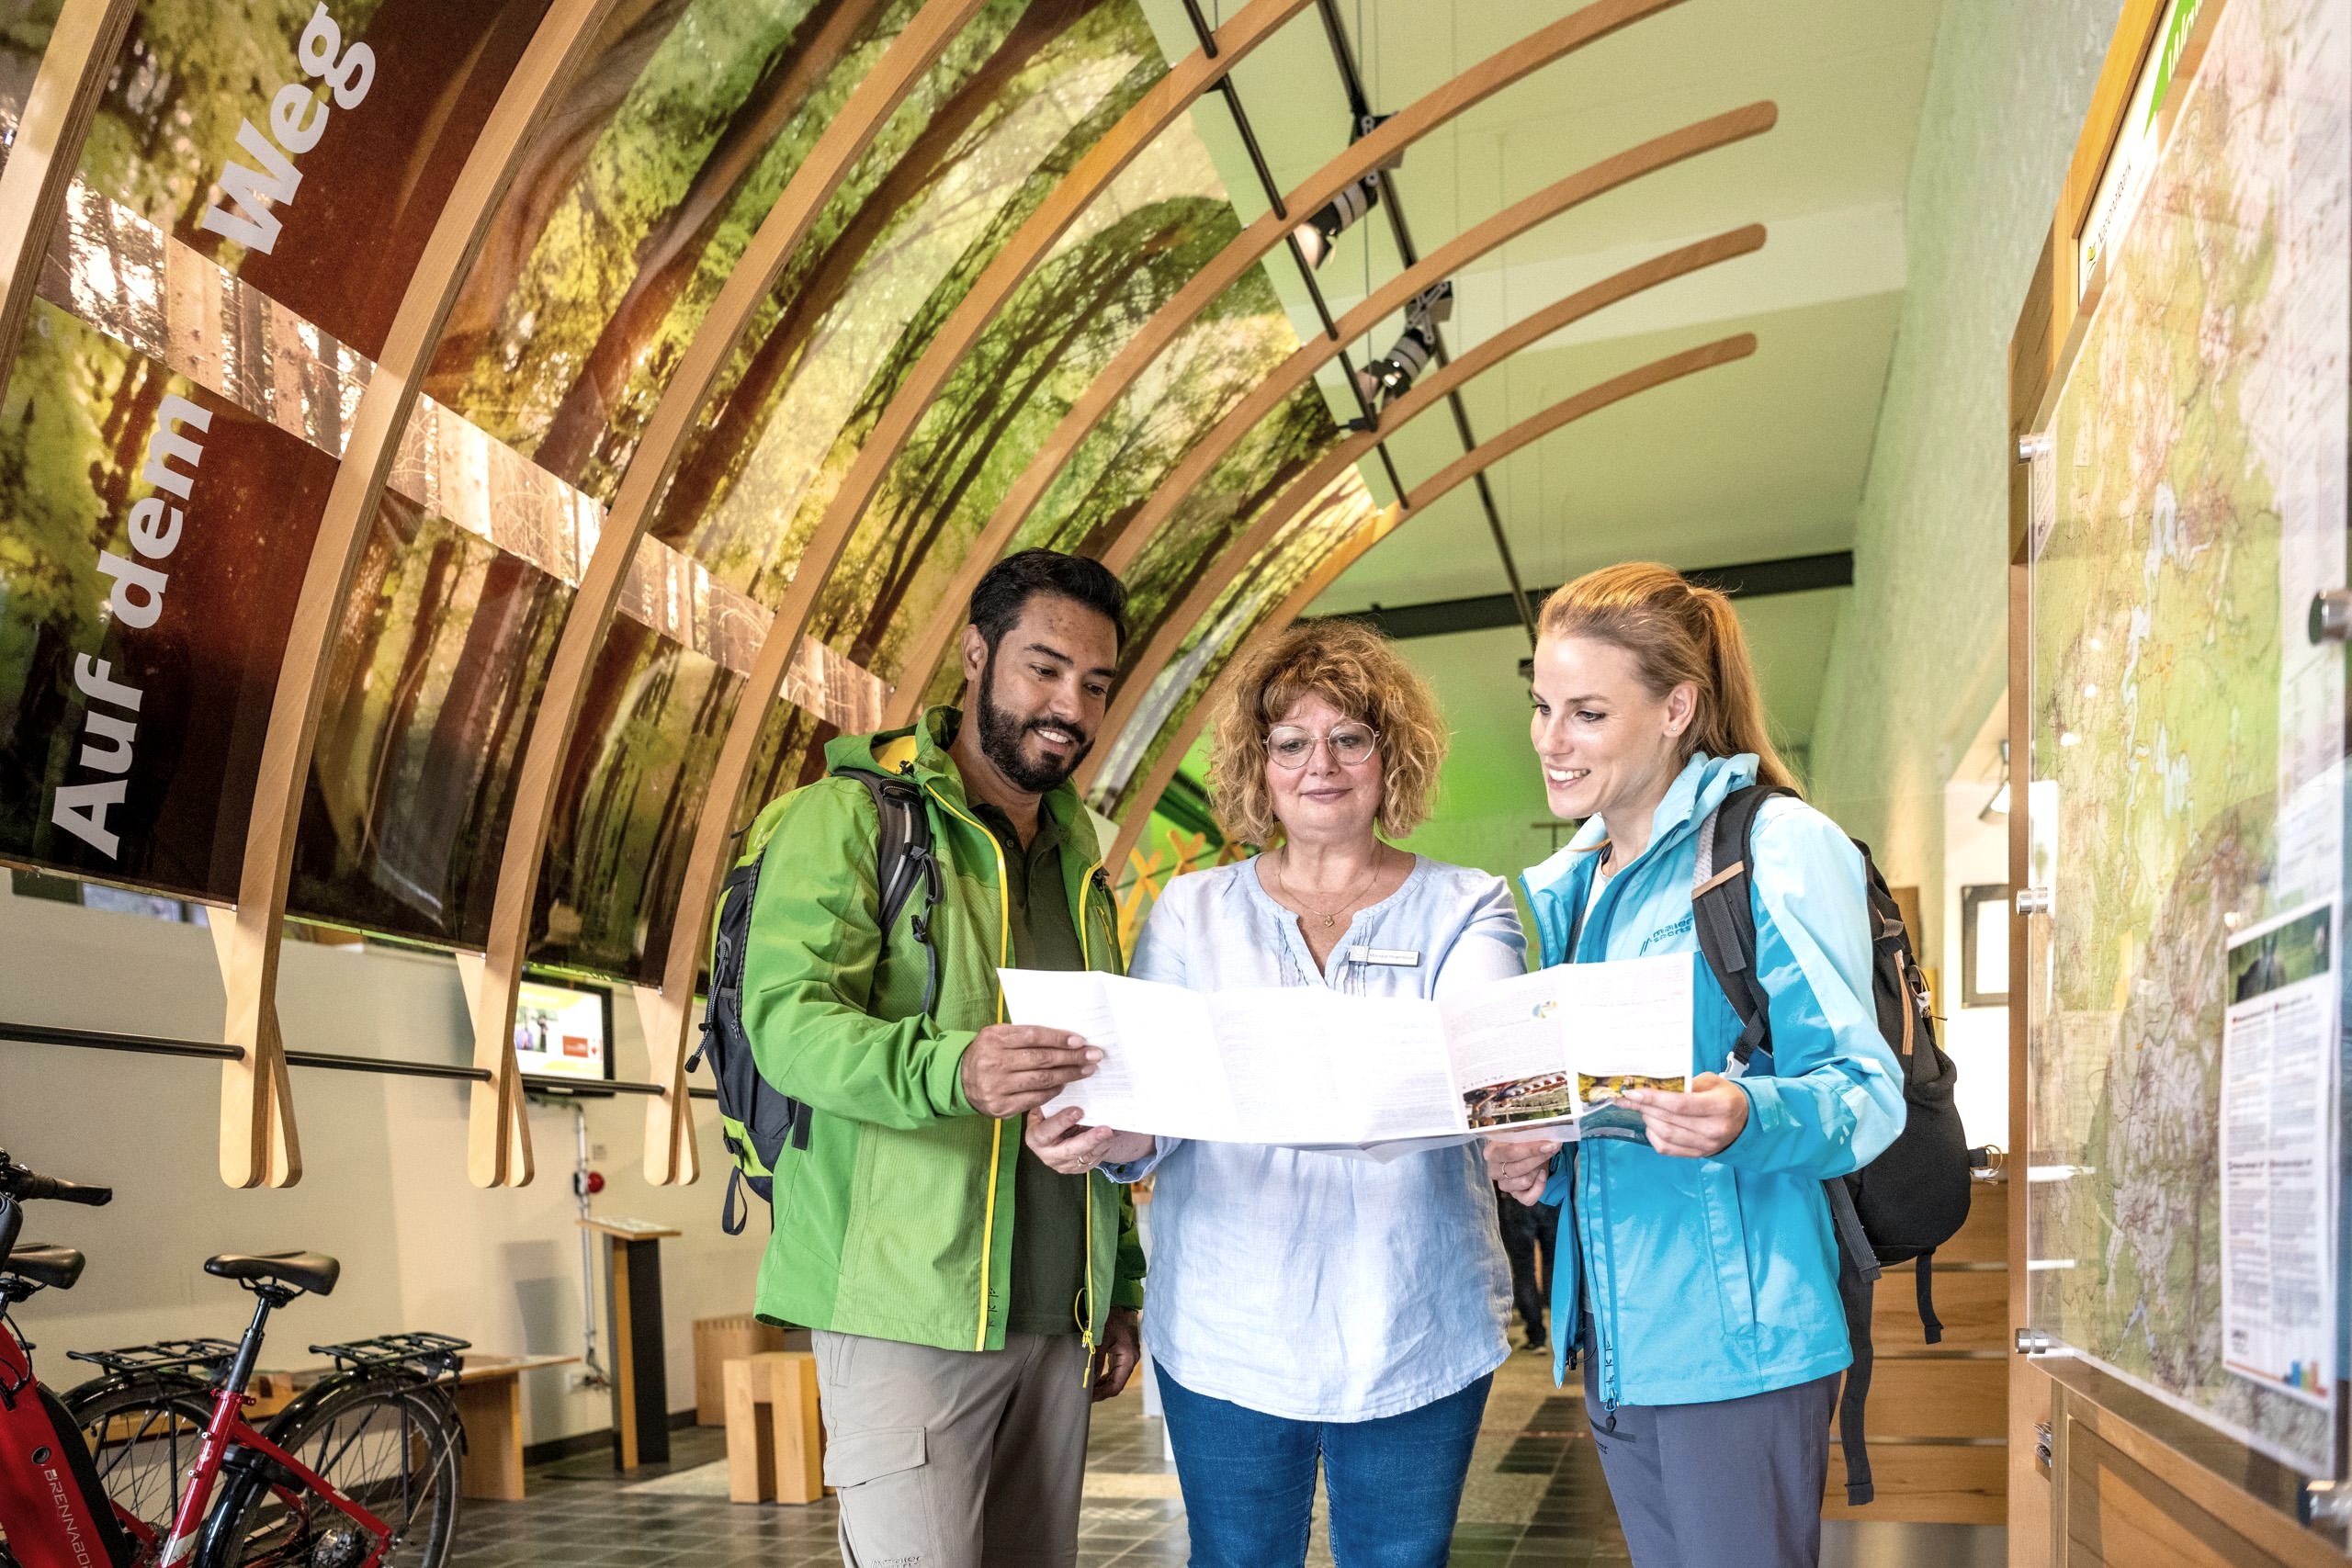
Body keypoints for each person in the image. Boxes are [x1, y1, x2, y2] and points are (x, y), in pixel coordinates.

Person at [1028, 620, 1521, 1568]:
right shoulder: (1192, 911)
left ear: (1391, 754)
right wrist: (1105, 1135)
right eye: (1290, 743)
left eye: (1348, 738)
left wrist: (1245, 1078)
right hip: (1230, 1325)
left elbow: (1472, 1068)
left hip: (1417, 1316)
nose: (1318, 765)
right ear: (1259, 766)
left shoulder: (1466, 904)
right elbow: (1155, 1108)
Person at [1487, 562, 1905, 1568]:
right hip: (1618, 1349)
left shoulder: (1775, 845)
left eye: (1588, 713)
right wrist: (1540, 1159)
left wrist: (1747, 1114)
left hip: (1739, 1347)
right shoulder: (1579, 891)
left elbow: (1865, 1089)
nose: (1551, 740)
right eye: (1543, 706)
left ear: (1676, 708)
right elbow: (1606, 1115)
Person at [739, 549, 1147, 1568]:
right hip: (906, 1314)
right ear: (975, 654)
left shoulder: (1079, 864)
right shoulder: (848, 818)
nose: (1070, 707)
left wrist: (1119, 1284)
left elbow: (1106, 1084)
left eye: (1095, 684)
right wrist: (953, 1070)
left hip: (1056, 1320)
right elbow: (787, 1023)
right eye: (1044, 669)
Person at [1493, 1186, 1557, 1351]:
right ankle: (1562, 1333)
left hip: (1515, 1198)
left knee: (1524, 1273)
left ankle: (1536, 1337)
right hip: (1551, 1196)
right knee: (1555, 1268)